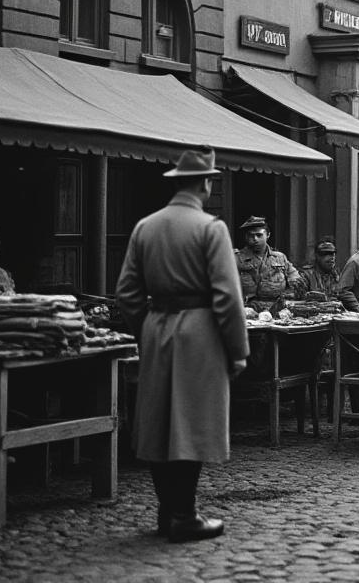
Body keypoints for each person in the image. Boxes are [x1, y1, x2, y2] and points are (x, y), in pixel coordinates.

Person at [115, 148, 248, 543]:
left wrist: (148, 328)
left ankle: (167, 511)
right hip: (200, 332)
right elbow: (227, 296)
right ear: (205, 184)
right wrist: (237, 349)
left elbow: (126, 293)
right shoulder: (211, 228)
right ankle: (185, 515)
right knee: (193, 423)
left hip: (158, 327)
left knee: (159, 423)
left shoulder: (145, 226)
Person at [235, 216, 304, 312]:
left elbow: (296, 280)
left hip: (277, 308)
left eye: (259, 235)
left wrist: (290, 294)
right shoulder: (236, 259)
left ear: (268, 235)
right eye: (251, 236)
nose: (255, 239)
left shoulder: (280, 258)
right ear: (246, 237)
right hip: (246, 309)